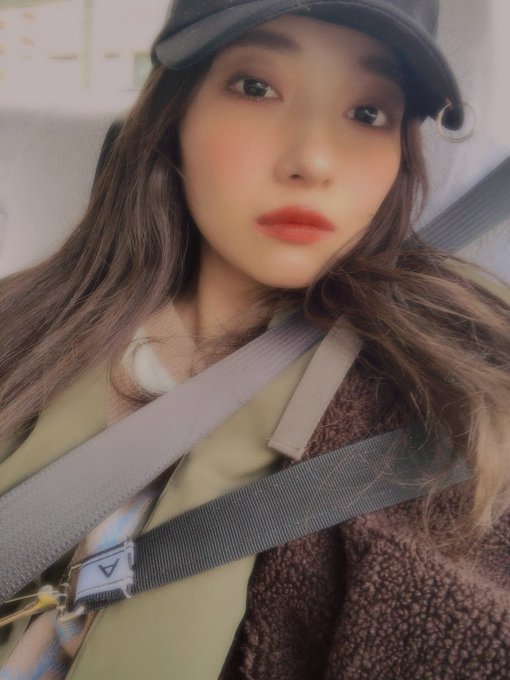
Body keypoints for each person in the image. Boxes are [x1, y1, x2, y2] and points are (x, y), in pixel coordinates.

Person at [0, 0, 509, 678]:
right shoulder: (25, 324)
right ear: (175, 112)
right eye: (255, 86)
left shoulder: (455, 366)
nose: (313, 160)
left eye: (368, 113)